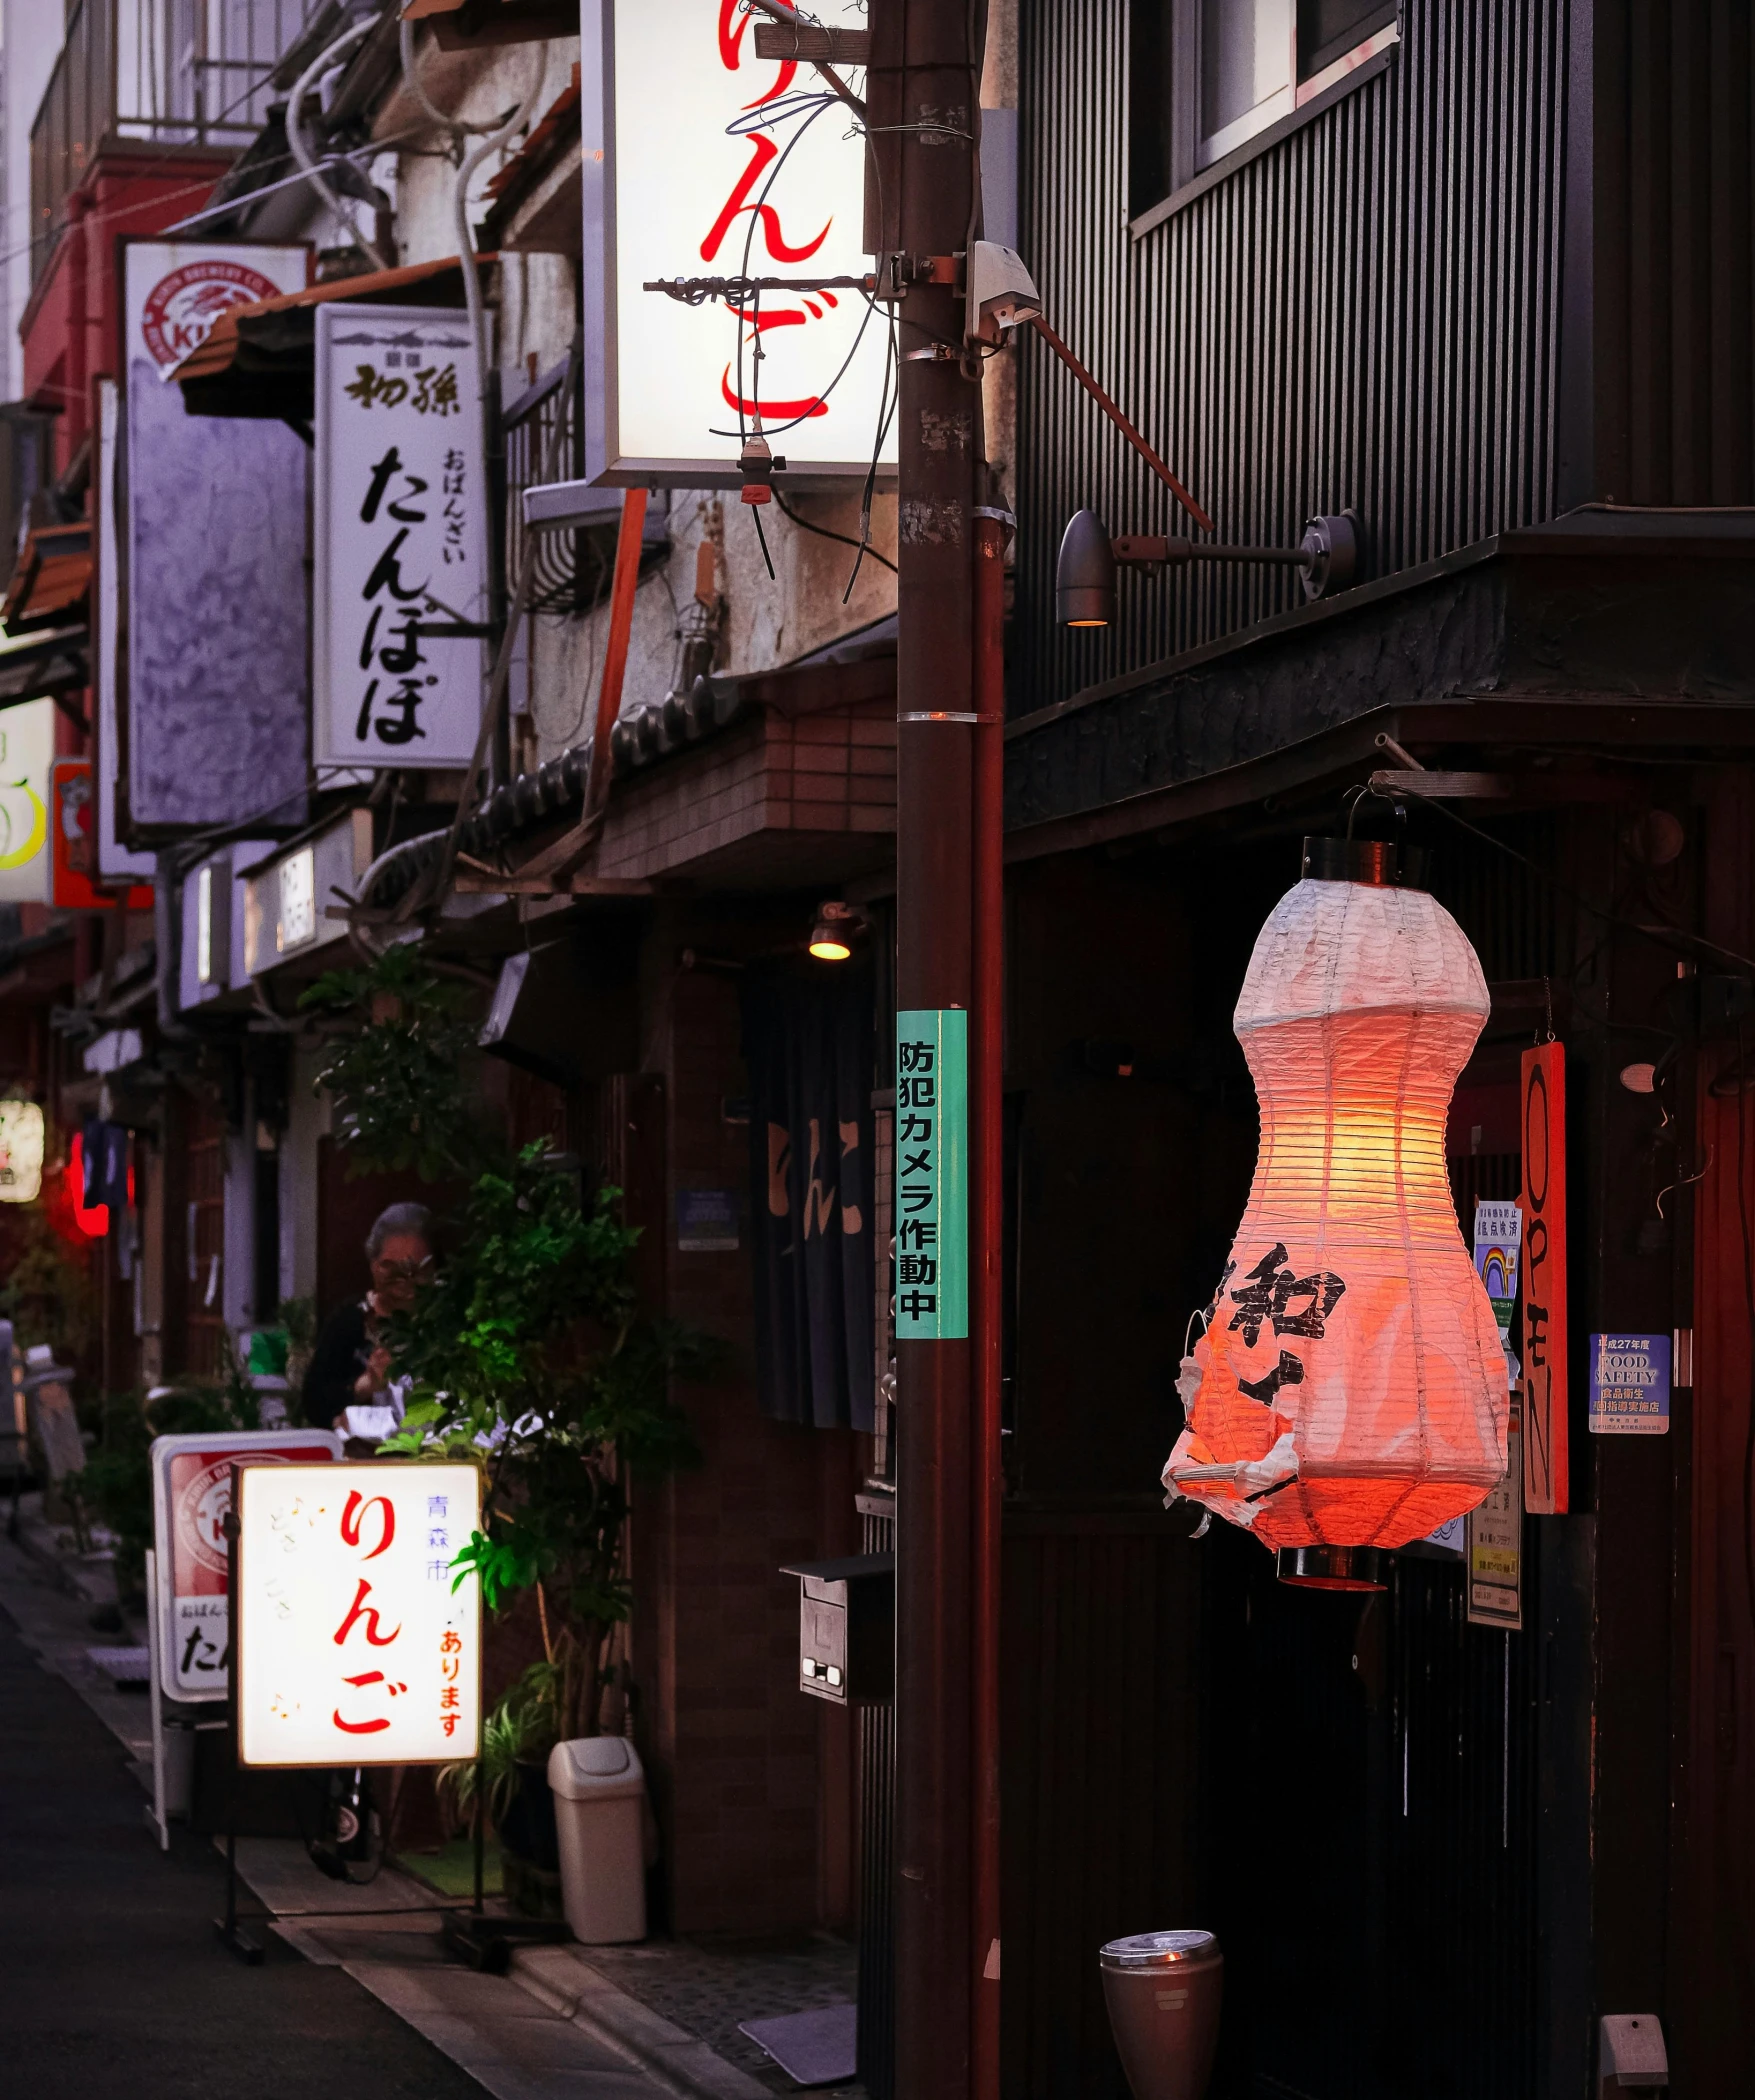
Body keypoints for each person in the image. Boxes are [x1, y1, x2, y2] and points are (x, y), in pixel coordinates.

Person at [302, 1203, 434, 1432]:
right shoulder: (350, 1321)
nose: (405, 1281)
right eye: (392, 1269)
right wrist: (365, 1385)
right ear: (374, 1266)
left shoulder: (447, 1320)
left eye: (418, 1270)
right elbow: (314, 1403)